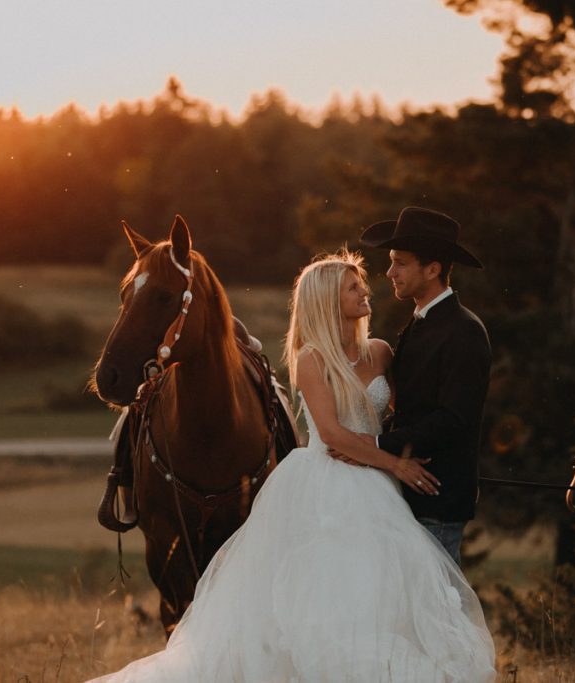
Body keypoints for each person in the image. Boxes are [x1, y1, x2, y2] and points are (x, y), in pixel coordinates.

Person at [89, 251, 495, 683]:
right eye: (353, 287)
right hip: (329, 483)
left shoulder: (380, 352)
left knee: (378, 593)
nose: (366, 290)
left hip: (379, 489)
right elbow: (334, 436)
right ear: (326, 299)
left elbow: (402, 412)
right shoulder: (311, 360)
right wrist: (395, 462)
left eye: (361, 284)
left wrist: (422, 452)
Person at [357, 206, 491, 566]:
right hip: (409, 495)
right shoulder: (420, 324)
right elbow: (412, 410)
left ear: (432, 269)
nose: (389, 273)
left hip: (438, 498)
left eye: (400, 262)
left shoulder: (464, 331)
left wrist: (377, 444)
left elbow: (453, 418)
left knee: (438, 612)